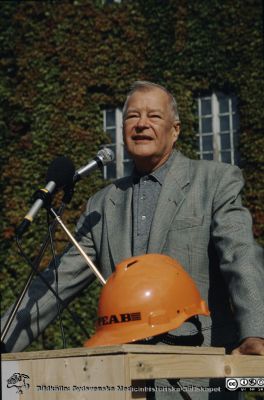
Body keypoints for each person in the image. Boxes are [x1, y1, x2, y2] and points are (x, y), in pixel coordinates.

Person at [1, 81, 264, 398]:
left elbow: (241, 256)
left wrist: (256, 334)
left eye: (154, 116)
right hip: (127, 380)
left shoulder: (215, 180)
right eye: (132, 116)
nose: (141, 124)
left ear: (175, 130)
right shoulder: (102, 204)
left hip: (200, 375)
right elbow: (54, 284)